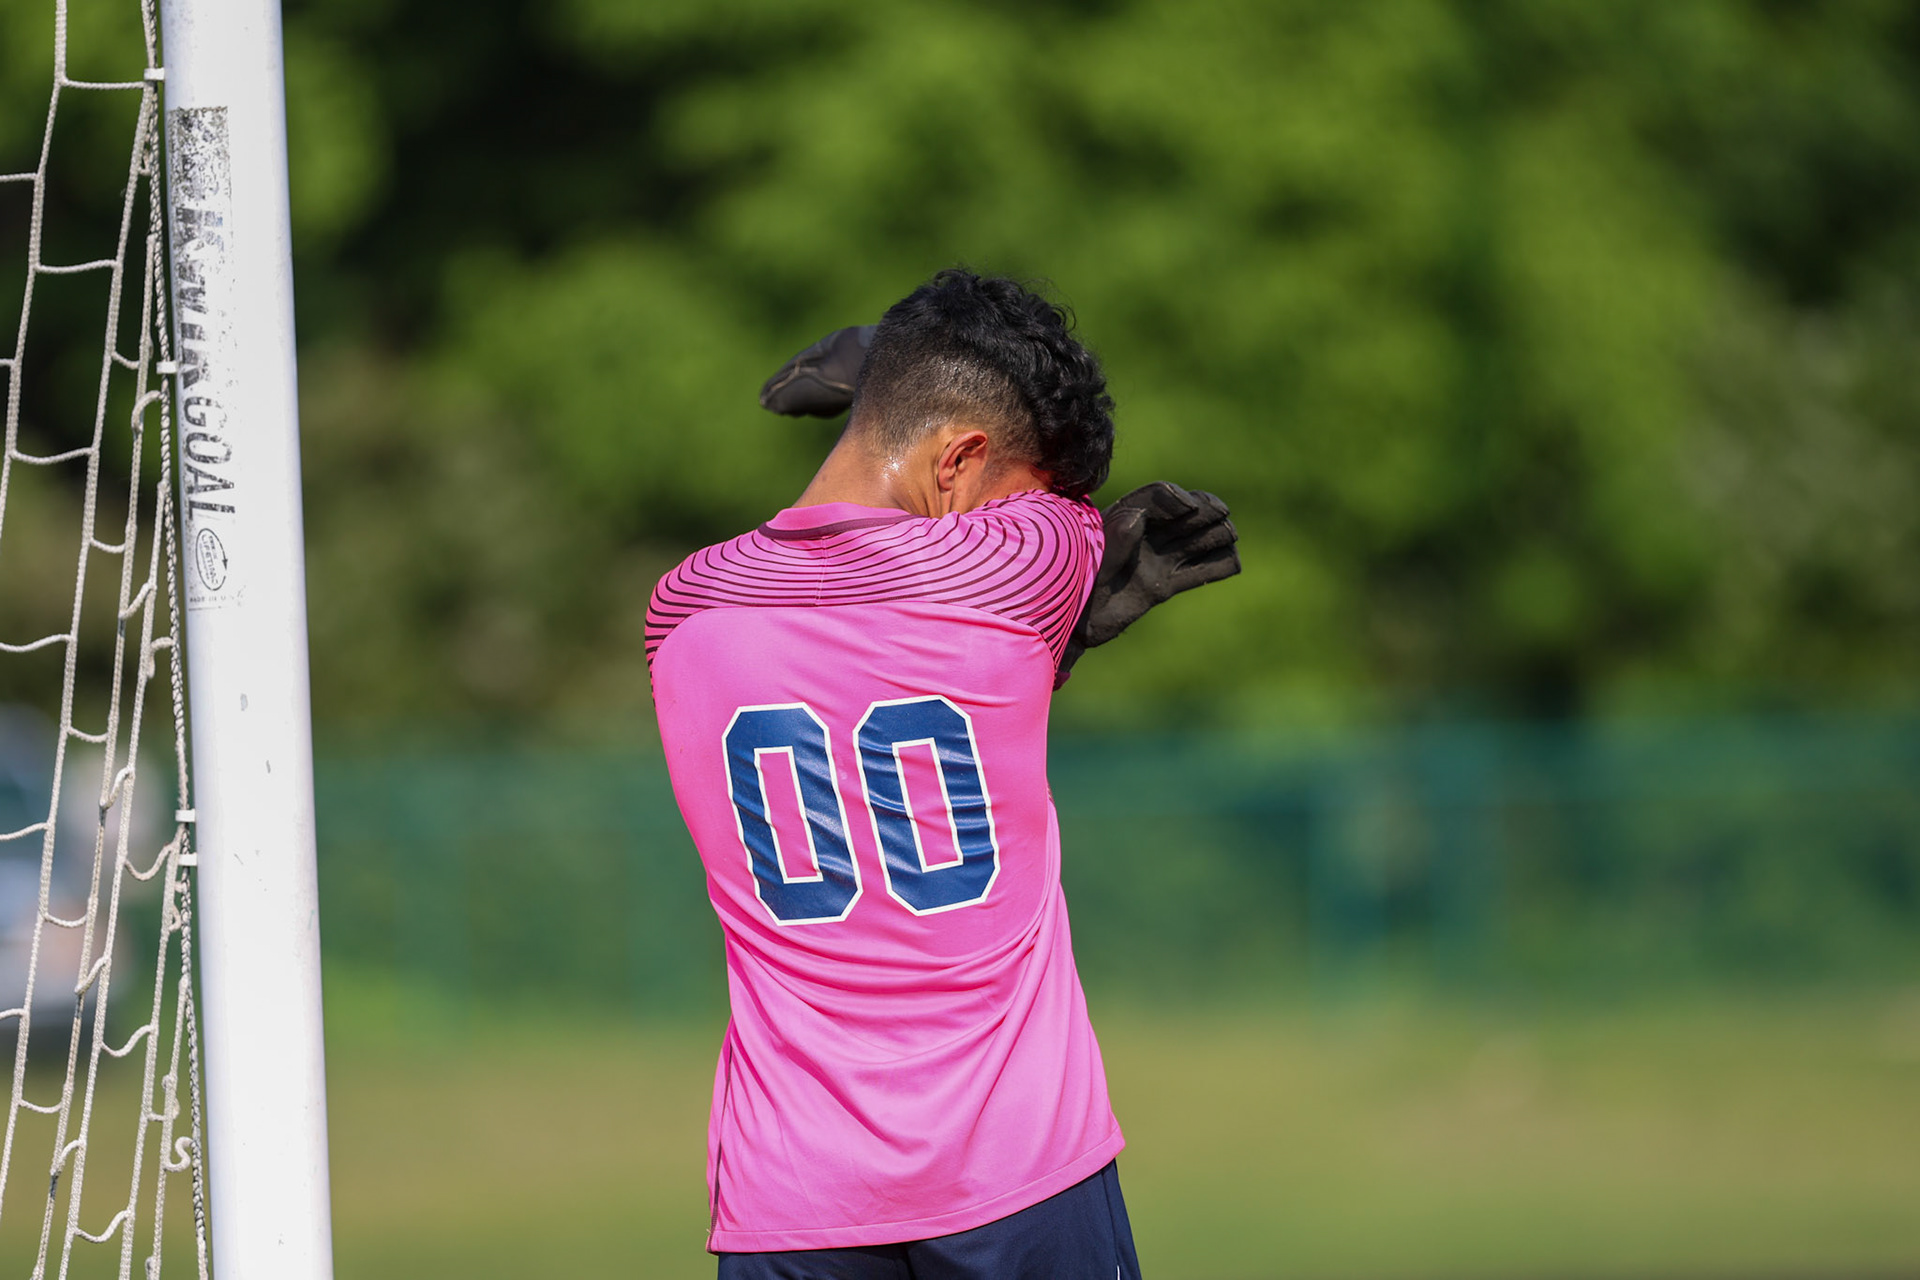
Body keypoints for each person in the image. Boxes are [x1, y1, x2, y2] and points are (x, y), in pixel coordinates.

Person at [646, 268, 1237, 1278]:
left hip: (791, 1197)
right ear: (958, 459)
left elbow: (831, 580)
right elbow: (1034, 532)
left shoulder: (686, 614)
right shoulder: (1022, 566)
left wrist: (888, 363)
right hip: (1019, 1172)